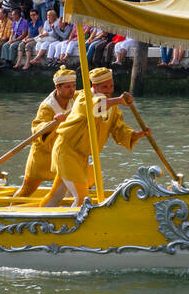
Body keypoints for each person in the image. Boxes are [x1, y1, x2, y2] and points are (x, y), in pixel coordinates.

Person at [42, 68, 148, 207]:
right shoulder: (83, 97)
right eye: (105, 87)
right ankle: (72, 224)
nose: (109, 90)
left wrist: (136, 134)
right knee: (82, 199)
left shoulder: (113, 107)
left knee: (55, 195)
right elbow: (94, 107)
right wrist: (119, 100)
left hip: (82, 157)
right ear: (94, 86)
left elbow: (119, 129)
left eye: (111, 86)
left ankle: (40, 215)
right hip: (67, 152)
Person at [15, 67, 77, 199]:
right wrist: (53, 122)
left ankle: (70, 205)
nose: (72, 90)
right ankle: (11, 207)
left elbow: (91, 96)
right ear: (57, 87)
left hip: (63, 153)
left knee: (78, 181)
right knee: (27, 190)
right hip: (42, 155)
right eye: (68, 87)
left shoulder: (76, 97)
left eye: (73, 86)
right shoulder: (47, 106)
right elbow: (36, 128)